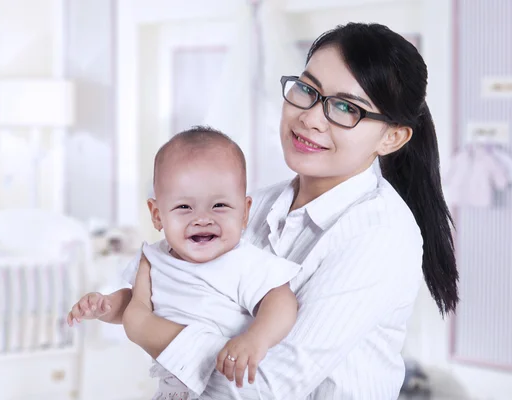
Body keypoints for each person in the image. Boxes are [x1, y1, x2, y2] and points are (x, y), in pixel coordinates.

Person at [121, 22, 459, 399]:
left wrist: (142, 327)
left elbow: (260, 388)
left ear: (392, 137)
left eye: (347, 108)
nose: (311, 118)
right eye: (307, 90)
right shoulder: (254, 206)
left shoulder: (380, 235)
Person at [67, 126, 301, 400]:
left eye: (219, 206)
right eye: (184, 207)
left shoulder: (242, 261)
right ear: (157, 215)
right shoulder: (155, 258)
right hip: (172, 390)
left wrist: (256, 339)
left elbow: (281, 301)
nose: (202, 218)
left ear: (245, 211)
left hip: (224, 385)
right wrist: (106, 306)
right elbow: (137, 304)